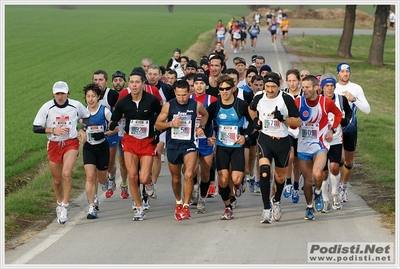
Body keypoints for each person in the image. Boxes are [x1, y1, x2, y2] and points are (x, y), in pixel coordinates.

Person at [33, 81, 90, 224]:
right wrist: (53, 130)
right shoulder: (47, 107)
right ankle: (59, 202)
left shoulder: (75, 105)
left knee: (66, 173)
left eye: (63, 93)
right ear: (53, 94)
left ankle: (65, 205)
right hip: (54, 144)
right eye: (57, 93)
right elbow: (36, 127)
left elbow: (87, 115)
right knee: (57, 180)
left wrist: (83, 128)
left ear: (67, 93)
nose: (60, 96)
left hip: (71, 142)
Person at [109, 70, 162, 221]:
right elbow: (115, 116)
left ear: (143, 84)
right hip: (130, 141)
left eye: (137, 82)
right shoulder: (124, 101)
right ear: (128, 84)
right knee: (133, 176)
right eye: (131, 82)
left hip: (147, 141)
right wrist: (113, 123)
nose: (134, 85)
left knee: (144, 177)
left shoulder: (151, 100)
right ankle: (139, 208)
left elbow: (160, 116)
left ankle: (150, 184)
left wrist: (157, 132)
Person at [249, 72, 301, 224]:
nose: (270, 90)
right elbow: (251, 109)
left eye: (273, 87)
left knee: (279, 177)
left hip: (282, 141)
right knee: (264, 173)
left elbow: (297, 122)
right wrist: (255, 120)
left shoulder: (286, 98)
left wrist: (282, 119)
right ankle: (266, 209)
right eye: (267, 87)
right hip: (265, 139)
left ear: (279, 86)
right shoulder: (259, 97)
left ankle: (276, 202)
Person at [155, 80, 209, 221]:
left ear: (189, 93)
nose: (182, 98)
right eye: (179, 95)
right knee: (176, 178)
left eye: (184, 95)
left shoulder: (196, 105)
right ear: (175, 93)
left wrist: (201, 127)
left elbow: (205, 115)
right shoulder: (169, 106)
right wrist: (172, 123)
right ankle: (178, 202)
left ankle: (186, 206)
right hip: (173, 145)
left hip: (189, 145)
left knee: (189, 174)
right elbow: (157, 125)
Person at [294, 75, 343, 220]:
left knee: (317, 173)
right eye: (302, 87)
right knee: (308, 182)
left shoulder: (325, 102)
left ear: (316, 88)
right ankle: (309, 207)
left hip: (320, 144)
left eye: (307, 87)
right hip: (303, 147)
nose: (304, 90)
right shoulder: (298, 102)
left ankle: (318, 193)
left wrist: (332, 129)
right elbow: (291, 123)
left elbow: (338, 114)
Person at [206, 74, 253, 220]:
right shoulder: (215, 106)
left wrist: (244, 136)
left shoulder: (241, 105)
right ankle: (228, 207)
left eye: (227, 88)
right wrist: (210, 135)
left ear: (233, 88)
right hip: (222, 146)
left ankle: (240, 183)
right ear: (218, 90)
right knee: (224, 180)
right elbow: (206, 122)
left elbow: (253, 122)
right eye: (221, 89)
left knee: (236, 180)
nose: (225, 91)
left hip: (237, 146)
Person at [334, 63, 370, 203]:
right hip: (337, 130)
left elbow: (367, 110)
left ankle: (344, 186)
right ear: (338, 73)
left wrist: (353, 99)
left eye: (347, 71)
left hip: (351, 128)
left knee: (348, 161)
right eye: (342, 71)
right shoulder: (333, 88)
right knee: (339, 159)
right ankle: (335, 186)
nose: (345, 74)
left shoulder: (356, 88)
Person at [82, 83, 119, 219]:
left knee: (101, 178)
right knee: (91, 176)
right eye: (88, 96)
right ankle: (92, 207)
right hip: (89, 148)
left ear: (98, 97)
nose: (90, 99)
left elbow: (115, 128)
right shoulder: (83, 112)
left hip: (102, 146)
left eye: (93, 96)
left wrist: (104, 134)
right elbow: (79, 127)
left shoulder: (104, 111)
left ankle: (111, 175)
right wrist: (82, 133)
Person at [320, 73, 352, 212]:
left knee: (334, 167)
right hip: (320, 141)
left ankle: (335, 194)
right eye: (326, 86)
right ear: (322, 87)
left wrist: (345, 121)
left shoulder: (340, 99)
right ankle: (325, 199)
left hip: (336, 139)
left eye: (332, 85)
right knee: (323, 172)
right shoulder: (318, 100)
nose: (329, 88)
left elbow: (349, 113)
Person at [189, 73, 218, 213]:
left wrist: (214, 137)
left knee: (205, 173)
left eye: (201, 83)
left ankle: (202, 199)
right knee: (192, 170)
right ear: (193, 85)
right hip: (191, 140)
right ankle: (195, 187)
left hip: (206, 140)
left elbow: (216, 121)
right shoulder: (188, 99)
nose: (199, 86)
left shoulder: (212, 99)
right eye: (196, 84)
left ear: (206, 85)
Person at [92, 70, 119, 199]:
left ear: (106, 81)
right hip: (95, 134)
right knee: (98, 165)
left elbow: (119, 111)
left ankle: (112, 175)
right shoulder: (90, 94)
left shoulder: (112, 94)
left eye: (100, 80)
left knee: (109, 164)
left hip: (110, 134)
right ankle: (95, 197)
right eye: (95, 80)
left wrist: (113, 122)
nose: (98, 83)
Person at [111, 71, 130, 199]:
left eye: (120, 80)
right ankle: (111, 179)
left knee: (123, 161)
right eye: (116, 80)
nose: (118, 82)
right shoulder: (109, 96)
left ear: (124, 82)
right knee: (110, 160)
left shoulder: (128, 95)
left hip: (124, 132)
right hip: (112, 132)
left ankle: (124, 184)